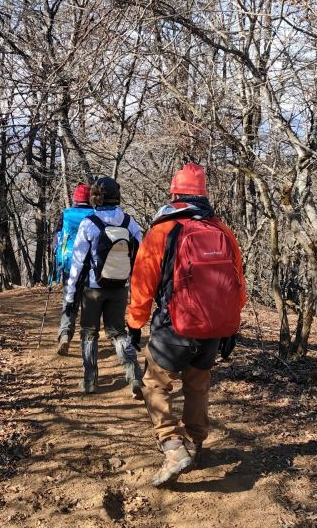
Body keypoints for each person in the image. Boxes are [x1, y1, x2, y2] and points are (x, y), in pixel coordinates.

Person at [126, 163, 246, 486]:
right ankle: (194, 442)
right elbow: (238, 284)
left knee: (153, 382)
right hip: (213, 329)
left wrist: (134, 324)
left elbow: (142, 285)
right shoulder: (222, 230)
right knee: (198, 383)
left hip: (174, 328)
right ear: (203, 195)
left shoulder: (162, 231)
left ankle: (173, 445)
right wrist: (229, 327)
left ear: (174, 193)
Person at [65, 176, 143, 397]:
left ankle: (90, 381)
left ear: (96, 197)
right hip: (120, 286)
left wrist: (70, 296)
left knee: (89, 333)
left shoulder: (89, 223)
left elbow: (78, 262)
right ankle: (134, 375)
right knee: (118, 332)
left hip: (93, 289)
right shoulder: (130, 222)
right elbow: (140, 254)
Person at [54, 184, 94, 356]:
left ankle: (65, 334)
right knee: (88, 303)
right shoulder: (95, 215)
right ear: (89, 198)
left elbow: (57, 238)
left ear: (75, 198)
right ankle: (87, 340)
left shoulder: (65, 214)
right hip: (91, 266)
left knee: (69, 300)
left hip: (69, 264)